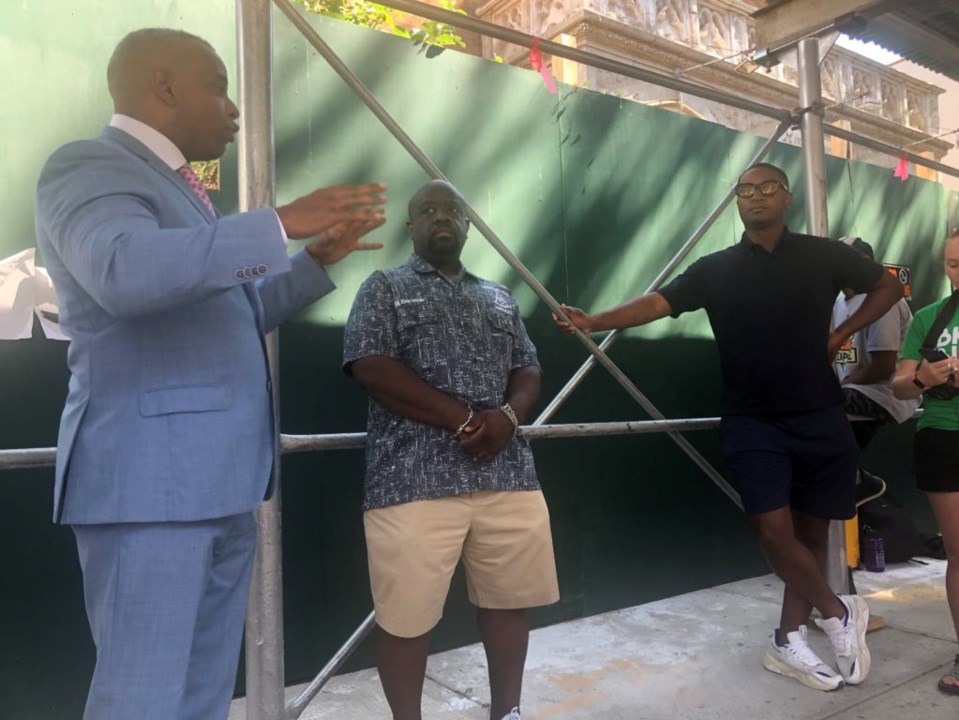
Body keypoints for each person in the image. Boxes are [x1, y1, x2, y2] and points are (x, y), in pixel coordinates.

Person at [34, 28, 387, 720]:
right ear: (164, 87)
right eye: (220, 87)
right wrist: (276, 223)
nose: (233, 110)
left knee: (198, 698)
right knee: (142, 699)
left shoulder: (186, 196)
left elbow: (234, 315)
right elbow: (123, 273)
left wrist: (315, 261)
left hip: (217, 484)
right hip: (151, 488)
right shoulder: (88, 166)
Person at [554, 163, 904, 692]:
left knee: (811, 536)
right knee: (771, 530)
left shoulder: (823, 254)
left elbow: (889, 287)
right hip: (752, 421)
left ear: (786, 198)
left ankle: (788, 639)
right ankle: (838, 612)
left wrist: (842, 332)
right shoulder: (716, 268)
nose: (756, 196)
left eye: (767, 188)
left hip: (819, 415)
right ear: (736, 202)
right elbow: (659, 302)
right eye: (746, 190)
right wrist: (595, 320)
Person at [342, 179, 559, 720]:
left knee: (511, 604)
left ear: (467, 225)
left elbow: (527, 366)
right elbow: (370, 365)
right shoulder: (383, 288)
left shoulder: (499, 296)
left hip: (507, 476)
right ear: (410, 226)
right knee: (406, 619)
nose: (442, 217)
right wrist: (465, 419)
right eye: (428, 210)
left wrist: (508, 419)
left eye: (453, 211)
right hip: (412, 481)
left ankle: (506, 711)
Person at [892, 228, 959, 696]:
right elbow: (898, 386)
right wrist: (924, 377)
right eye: (953, 262)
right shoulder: (930, 317)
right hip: (942, 437)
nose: (958, 270)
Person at [832, 237, 920, 502]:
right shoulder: (839, 302)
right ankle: (861, 485)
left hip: (886, 394)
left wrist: (837, 389)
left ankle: (859, 483)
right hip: (852, 393)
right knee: (832, 463)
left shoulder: (882, 299)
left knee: (822, 405)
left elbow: (882, 367)